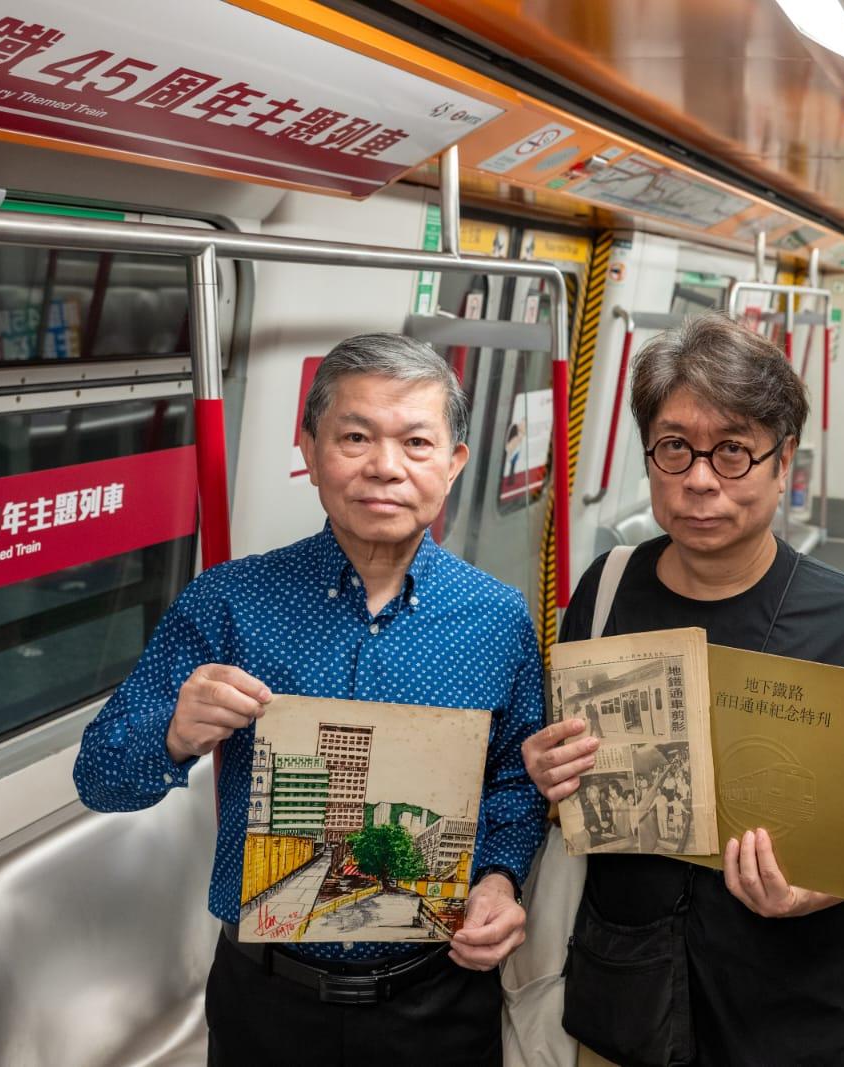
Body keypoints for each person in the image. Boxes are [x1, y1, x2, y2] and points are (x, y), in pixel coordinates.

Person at [73, 334, 547, 1065]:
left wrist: (499, 878)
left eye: (417, 442)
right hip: (268, 1001)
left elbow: (516, 783)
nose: (385, 466)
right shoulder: (230, 602)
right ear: (310, 448)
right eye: (355, 436)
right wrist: (171, 733)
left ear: (453, 463)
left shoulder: (499, 619)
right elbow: (100, 778)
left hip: (438, 998)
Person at [522, 312, 844, 1064]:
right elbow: (563, 765)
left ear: (784, 462)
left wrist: (814, 890)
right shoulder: (606, 590)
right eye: (675, 448)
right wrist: (547, 772)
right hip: (625, 992)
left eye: (734, 451)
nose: (701, 479)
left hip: (782, 1000)